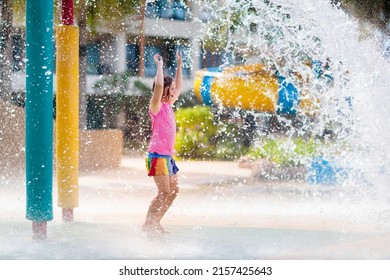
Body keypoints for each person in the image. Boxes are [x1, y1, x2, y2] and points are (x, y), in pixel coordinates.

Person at [143, 50, 183, 236]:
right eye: (172, 88)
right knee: (163, 192)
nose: (175, 91)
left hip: (168, 157)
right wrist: (159, 66)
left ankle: (155, 222)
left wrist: (179, 65)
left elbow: (180, 87)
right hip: (157, 156)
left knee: (173, 191)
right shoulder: (156, 107)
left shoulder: (169, 105)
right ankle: (148, 225)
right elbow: (159, 86)